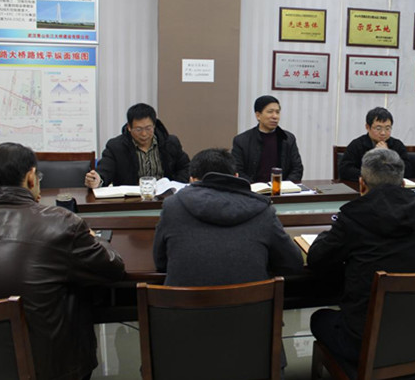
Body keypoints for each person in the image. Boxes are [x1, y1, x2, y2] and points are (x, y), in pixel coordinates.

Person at [0, 142, 125, 380]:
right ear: (31, 177)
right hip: (52, 367)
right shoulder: (60, 222)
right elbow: (113, 268)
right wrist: (94, 239)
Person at [307, 149, 415, 363]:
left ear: (361, 184)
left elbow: (316, 259)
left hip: (364, 343)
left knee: (319, 318)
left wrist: (326, 235)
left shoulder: (353, 218)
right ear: (403, 184)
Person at [153, 148, 303, 286]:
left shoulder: (172, 206)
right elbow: (292, 263)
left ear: (192, 180)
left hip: (184, 305)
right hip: (250, 305)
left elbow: (160, 263)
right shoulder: (263, 210)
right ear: (236, 176)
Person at [84, 103, 190, 188]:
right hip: (130, 201)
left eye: (148, 128)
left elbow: (185, 167)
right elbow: (105, 170)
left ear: (154, 125)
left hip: (165, 199)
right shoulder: (116, 147)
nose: (144, 134)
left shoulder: (170, 143)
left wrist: (173, 186)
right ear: (129, 127)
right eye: (138, 129)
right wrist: (97, 180)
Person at [232, 95, 303, 183]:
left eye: (277, 112)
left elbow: (297, 169)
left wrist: (284, 186)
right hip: (252, 189)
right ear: (258, 115)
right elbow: (237, 171)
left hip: (282, 189)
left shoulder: (288, 138)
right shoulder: (241, 140)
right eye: (270, 112)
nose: (275, 116)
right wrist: (254, 187)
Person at [338, 106, 411, 181]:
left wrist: (387, 155)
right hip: (364, 185)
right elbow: (345, 170)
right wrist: (372, 177)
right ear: (367, 127)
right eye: (378, 128)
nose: (383, 133)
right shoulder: (357, 145)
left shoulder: (397, 145)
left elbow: (407, 170)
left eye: (387, 128)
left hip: (390, 185)